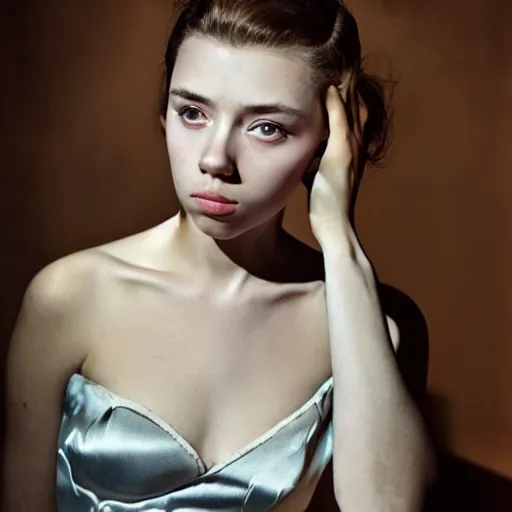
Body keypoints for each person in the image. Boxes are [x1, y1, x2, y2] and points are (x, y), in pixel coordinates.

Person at [2, 0, 436, 510]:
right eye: (193, 112)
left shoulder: (374, 324)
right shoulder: (70, 296)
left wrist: (338, 240)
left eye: (267, 127)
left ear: (330, 140)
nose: (214, 159)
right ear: (164, 112)